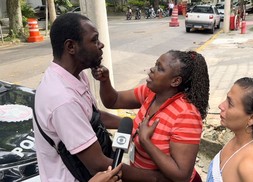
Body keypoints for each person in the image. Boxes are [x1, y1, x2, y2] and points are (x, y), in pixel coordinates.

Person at [33, 13, 169, 182]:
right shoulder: (62, 99)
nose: (101, 45)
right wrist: (156, 179)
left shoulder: (77, 76)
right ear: (71, 47)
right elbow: (98, 165)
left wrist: (135, 126)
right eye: (94, 40)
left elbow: (92, 116)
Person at [92, 50, 210, 181]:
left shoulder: (186, 114)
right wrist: (105, 81)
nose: (152, 69)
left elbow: (181, 175)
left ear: (175, 81)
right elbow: (113, 100)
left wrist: (146, 141)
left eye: (160, 68)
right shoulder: (151, 92)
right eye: (155, 64)